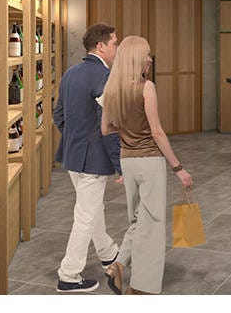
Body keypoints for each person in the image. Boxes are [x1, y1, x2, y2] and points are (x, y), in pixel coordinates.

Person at [101, 35, 193, 295]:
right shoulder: (146, 87)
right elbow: (157, 132)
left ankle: (118, 266)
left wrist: (127, 128)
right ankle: (141, 288)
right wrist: (178, 168)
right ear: (136, 58)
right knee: (151, 224)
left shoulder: (111, 89)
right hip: (150, 161)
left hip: (127, 161)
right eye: (147, 55)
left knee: (138, 219)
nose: (150, 59)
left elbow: (105, 128)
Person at [53, 23, 120, 293]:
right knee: (85, 215)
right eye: (114, 43)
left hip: (73, 155)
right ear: (101, 46)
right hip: (93, 160)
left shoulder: (70, 73)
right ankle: (69, 275)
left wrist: (75, 139)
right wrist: (120, 164)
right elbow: (109, 126)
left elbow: (59, 114)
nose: (117, 48)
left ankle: (108, 253)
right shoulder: (105, 77)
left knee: (91, 210)